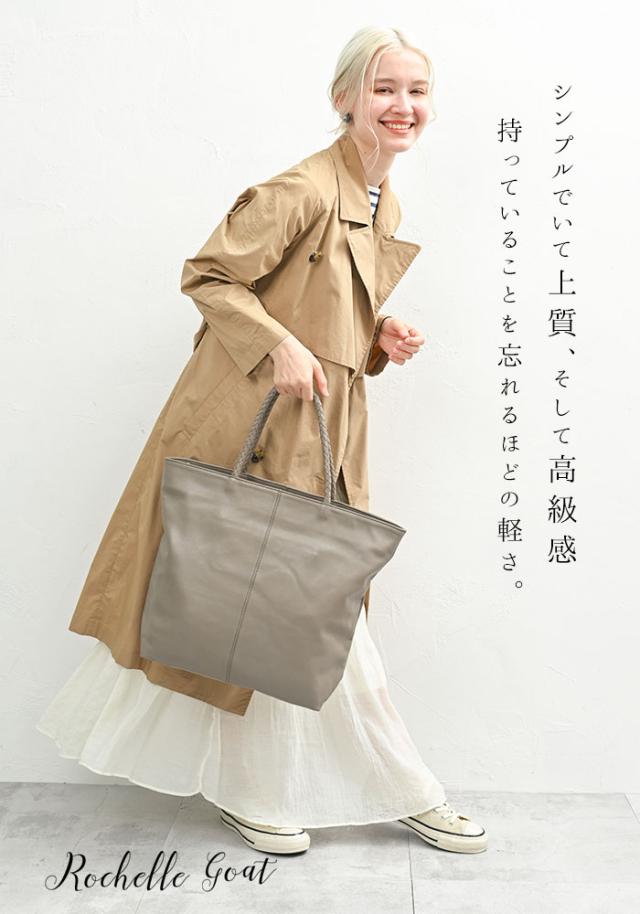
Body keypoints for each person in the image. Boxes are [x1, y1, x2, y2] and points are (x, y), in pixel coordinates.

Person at [36, 25, 488, 857]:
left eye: (417, 91)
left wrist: (377, 334)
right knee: (294, 611)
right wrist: (278, 343)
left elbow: (318, 301)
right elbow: (210, 274)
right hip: (255, 432)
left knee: (276, 615)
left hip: (317, 434)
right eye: (384, 88)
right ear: (344, 98)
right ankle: (407, 791)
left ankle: (257, 789)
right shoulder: (299, 190)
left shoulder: (381, 200)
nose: (403, 106)